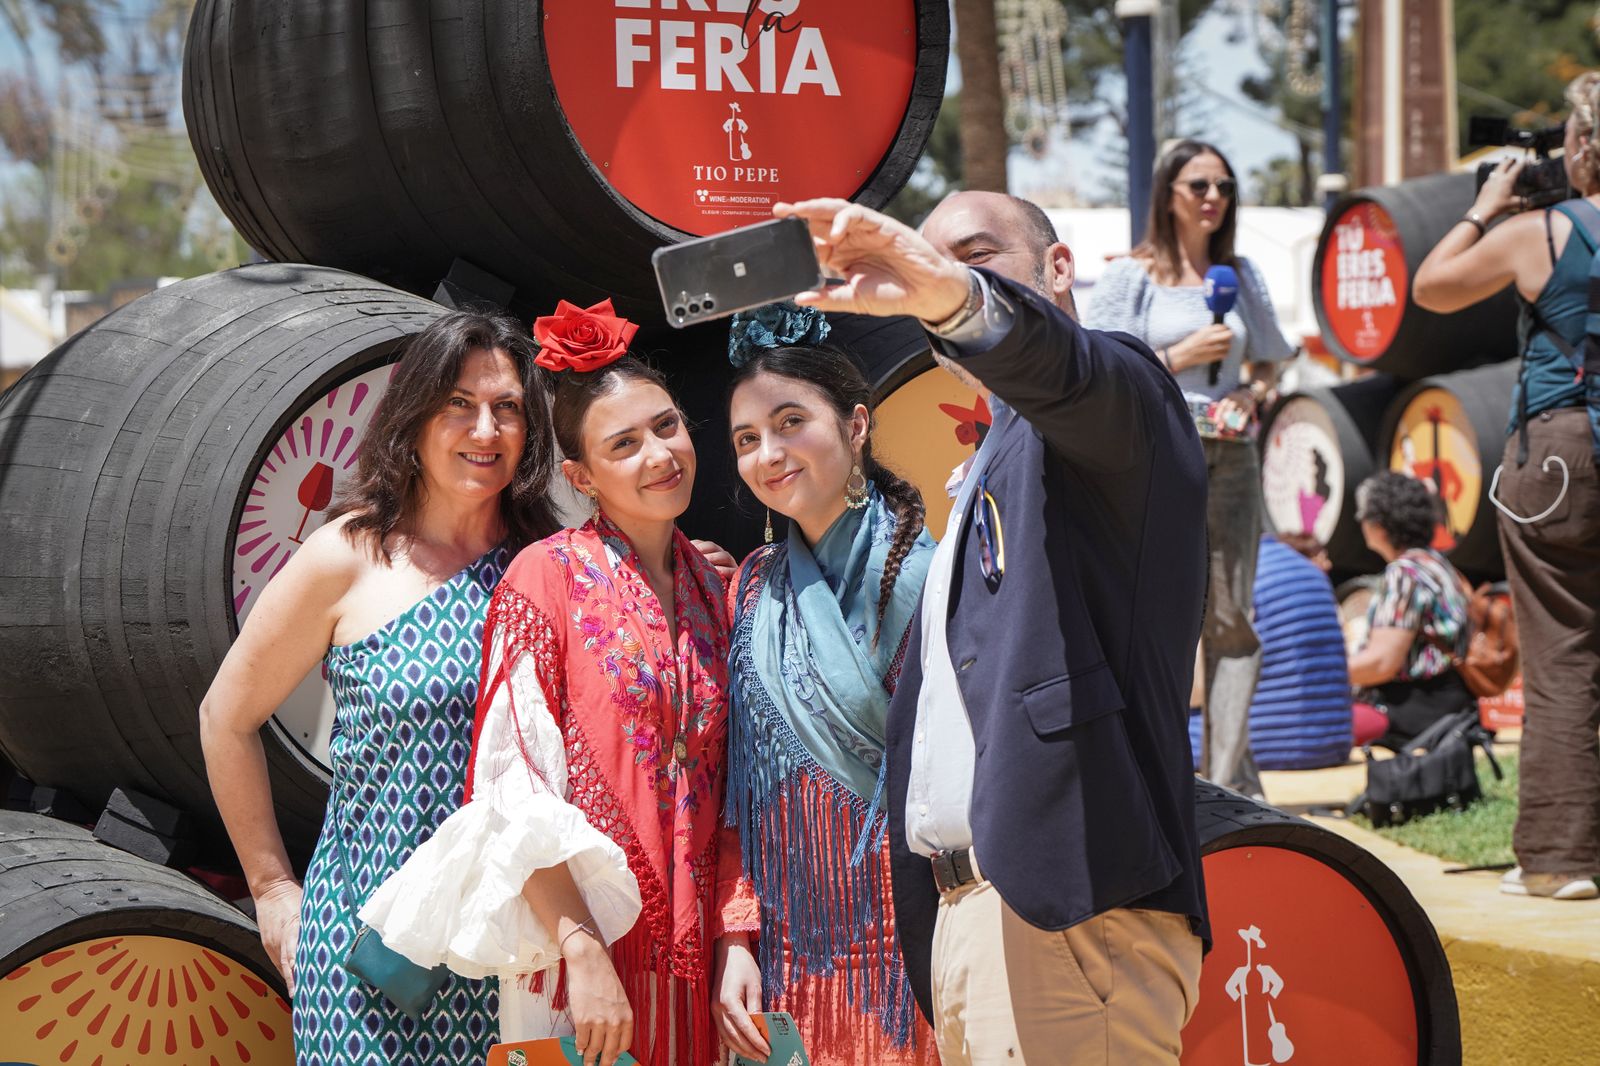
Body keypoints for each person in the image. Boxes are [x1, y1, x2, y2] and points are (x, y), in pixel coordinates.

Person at [773, 191, 1210, 1063]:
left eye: (978, 255)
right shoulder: (990, 463)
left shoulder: (1118, 399)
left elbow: (1065, 369)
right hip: (974, 918)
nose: (938, 278)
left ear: (1057, 270)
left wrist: (952, 297)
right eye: (922, 263)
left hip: (1075, 911)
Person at [357, 299, 732, 1066]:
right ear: (580, 476)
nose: (659, 455)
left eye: (666, 426)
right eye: (623, 444)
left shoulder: (711, 587)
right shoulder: (544, 577)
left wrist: (738, 939)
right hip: (579, 961)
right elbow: (511, 783)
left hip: (702, 962)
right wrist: (583, 951)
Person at [198, 310, 563, 1064]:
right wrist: (271, 889)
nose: (485, 429)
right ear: (415, 415)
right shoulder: (349, 554)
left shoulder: (549, 563)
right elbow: (224, 717)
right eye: (459, 403)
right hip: (366, 953)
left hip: (511, 957)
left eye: (508, 409)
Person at [711, 329, 939, 1066]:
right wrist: (736, 939)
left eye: (789, 423)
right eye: (746, 438)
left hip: (921, 935)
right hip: (788, 954)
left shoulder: (936, 581)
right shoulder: (751, 586)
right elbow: (736, 791)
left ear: (857, 423)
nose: (767, 455)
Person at [1412, 71, 1600, 901]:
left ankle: (1560, 858)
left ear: (1582, 148)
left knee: (1561, 651)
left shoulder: (1547, 233)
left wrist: (1488, 203)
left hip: (1560, 450)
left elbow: (1432, 285)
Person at [1084, 138, 1295, 798]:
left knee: (1230, 622)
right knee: (1158, 619)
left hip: (1231, 454)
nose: (1214, 199)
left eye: (1225, 188)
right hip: (1156, 456)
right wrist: (1178, 357)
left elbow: (1270, 359)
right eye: (1200, 186)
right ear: (1167, 195)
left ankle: (1224, 787)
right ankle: (1159, 776)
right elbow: (1100, 369)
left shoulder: (1241, 274)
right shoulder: (1131, 277)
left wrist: (1251, 394)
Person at [1344, 472, 1474, 751]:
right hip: (1450, 702)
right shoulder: (1439, 566)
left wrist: (1325, 674)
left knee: (1312, 723)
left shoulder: (1404, 574)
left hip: (1411, 708)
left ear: (1379, 524)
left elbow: (1382, 663)